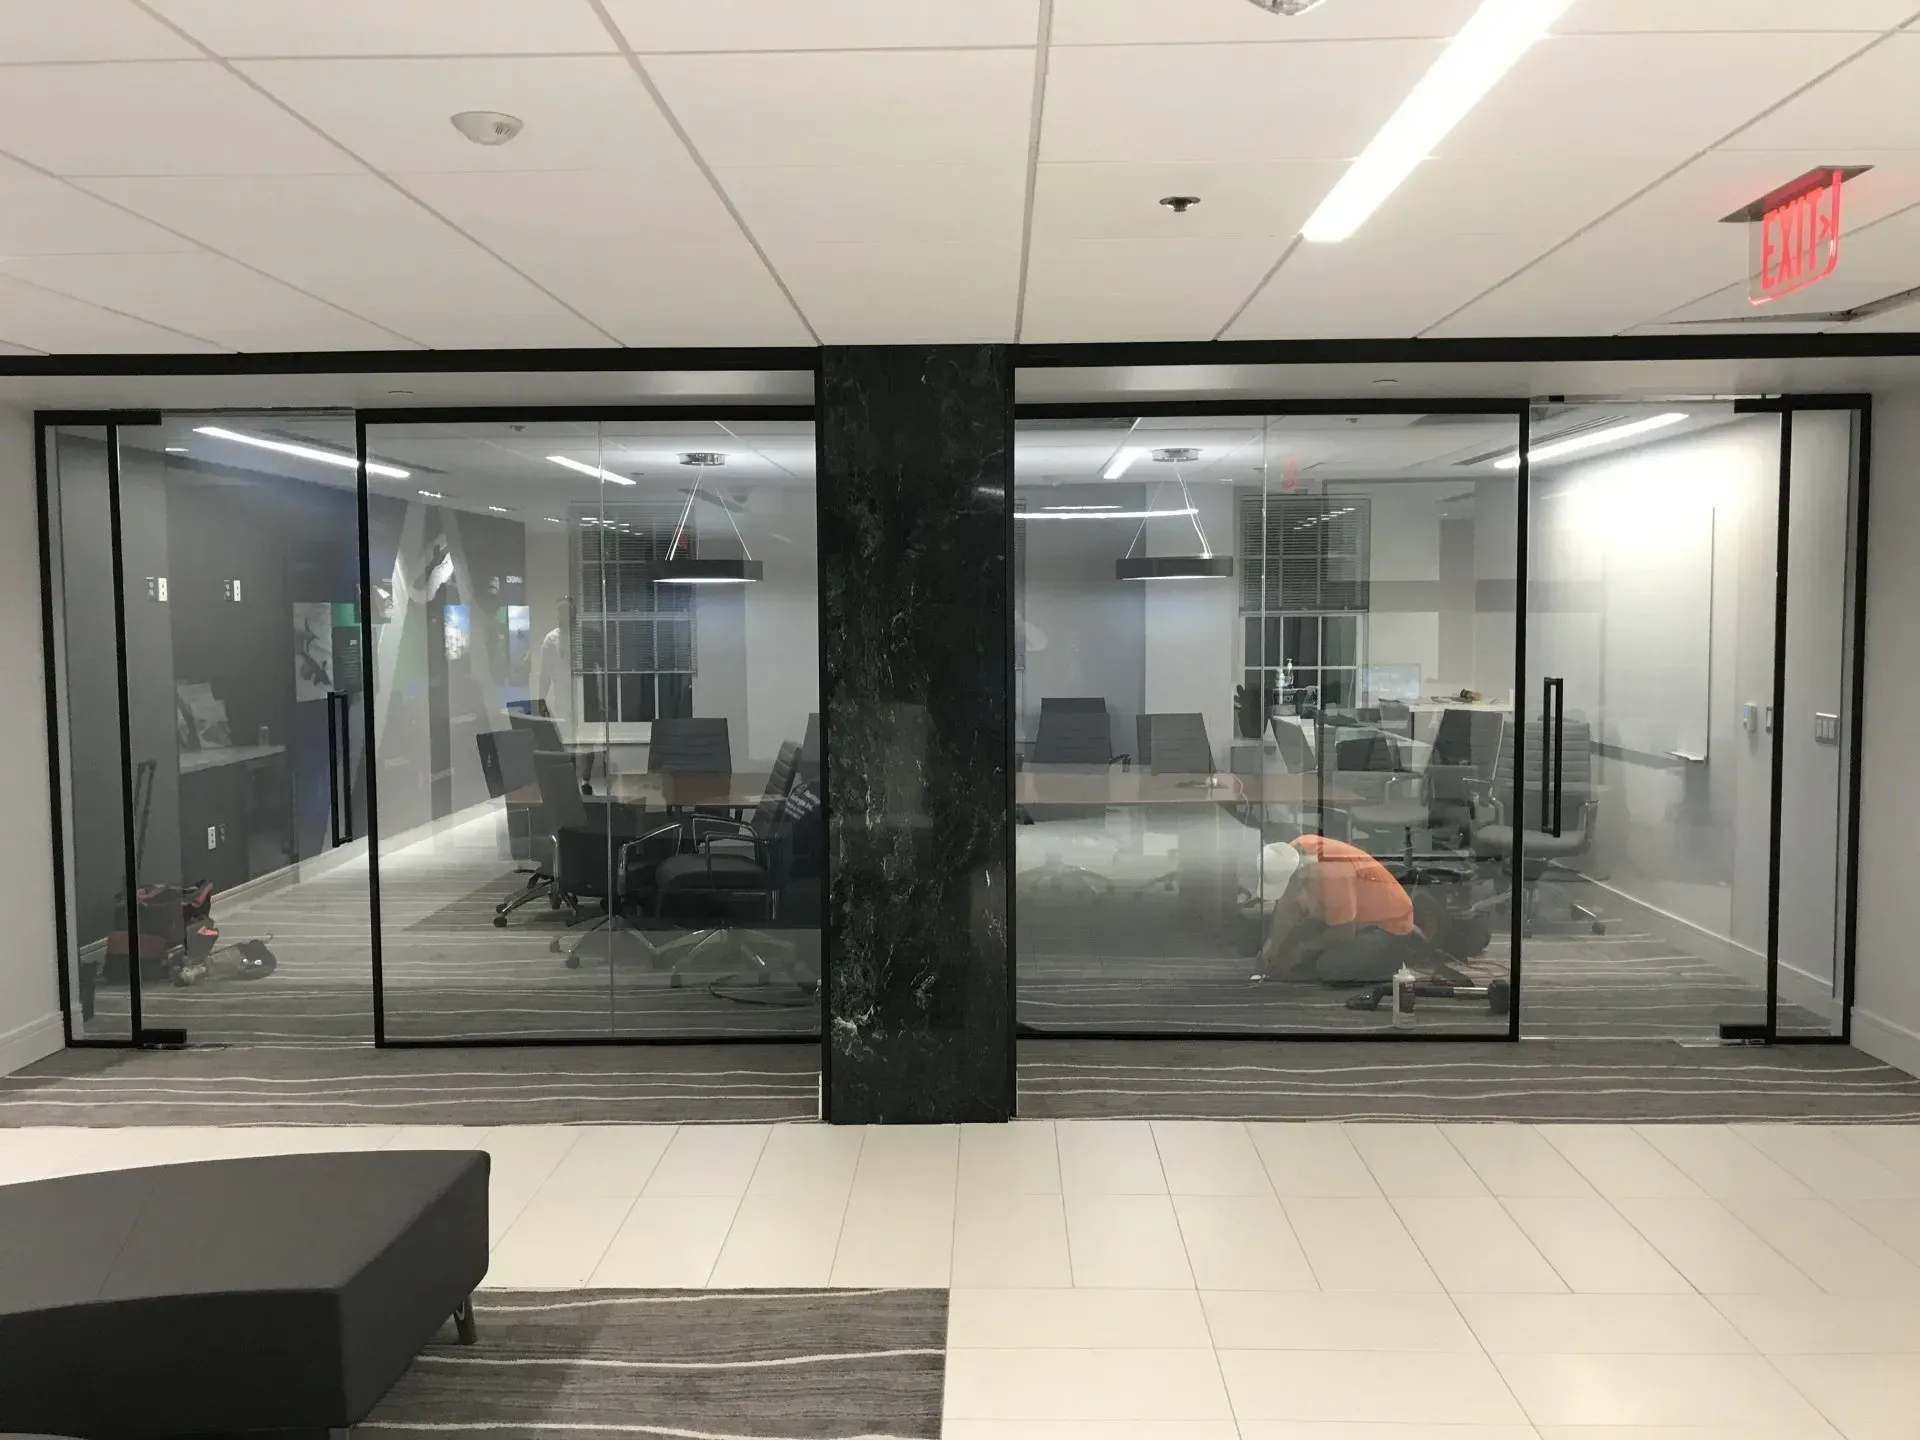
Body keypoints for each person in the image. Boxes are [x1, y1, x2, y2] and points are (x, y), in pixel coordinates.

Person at [1251, 833, 1429, 985]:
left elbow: (1344, 933)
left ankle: (1396, 959)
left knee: (1330, 968)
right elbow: (1286, 910)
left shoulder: (1334, 873)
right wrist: (1271, 947)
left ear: (1299, 876)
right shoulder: (1290, 855)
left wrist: (1302, 950)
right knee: (1292, 946)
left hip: (1384, 928)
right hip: (1342, 919)